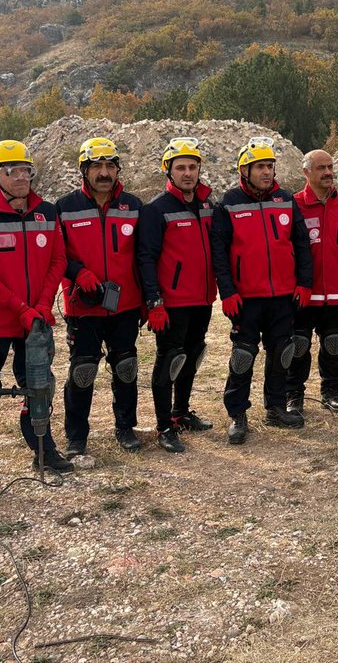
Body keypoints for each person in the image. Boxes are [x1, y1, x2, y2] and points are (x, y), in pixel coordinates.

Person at [0, 140, 71, 472]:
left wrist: (42, 304)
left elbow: (58, 260)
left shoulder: (48, 213)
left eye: (26, 170)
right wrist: (19, 308)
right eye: (12, 171)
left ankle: (43, 449)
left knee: (39, 387)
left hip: (35, 320)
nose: (21, 177)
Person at [212, 137, 313, 444]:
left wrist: (304, 283)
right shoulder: (228, 204)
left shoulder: (284, 199)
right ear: (245, 170)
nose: (267, 172)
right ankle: (237, 414)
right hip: (246, 298)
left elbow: (302, 243)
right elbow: (219, 253)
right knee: (243, 356)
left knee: (282, 352)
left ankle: (276, 407)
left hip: (283, 295)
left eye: (270, 166)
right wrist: (227, 292)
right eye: (260, 167)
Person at [54, 137, 144, 457]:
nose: (104, 173)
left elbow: (143, 257)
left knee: (126, 367)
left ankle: (125, 427)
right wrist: (78, 272)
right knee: (83, 370)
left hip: (126, 304)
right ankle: (76, 436)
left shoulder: (133, 206)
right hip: (84, 306)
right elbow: (56, 254)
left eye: (110, 166)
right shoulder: (64, 208)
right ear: (84, 170)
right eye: (97, 166)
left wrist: (148, 300)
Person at [137, 138, 217, 453]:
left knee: (192, 357)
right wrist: (154, 302)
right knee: (169, 361)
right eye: (180, 167)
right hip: (172, 302)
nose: (187, 173)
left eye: (192, 167)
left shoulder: (208, 204)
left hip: (202, 298)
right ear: (168, 171)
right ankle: (163, 426)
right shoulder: (156, 209)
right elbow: (146, 258)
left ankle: (181, 413)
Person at [287, 149, 338, 414]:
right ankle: (294, 395)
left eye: (330, 167)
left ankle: (331, 392)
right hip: (304, 293)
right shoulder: (294, 205)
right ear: (306, 172)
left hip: (336, 292)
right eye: (320, 168)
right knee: (299, 346)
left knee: (333, 344)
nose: (327, 172)